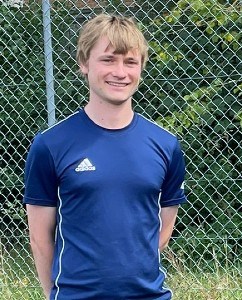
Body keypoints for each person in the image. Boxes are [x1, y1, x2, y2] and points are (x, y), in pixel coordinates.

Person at [23, 14, 187, 299]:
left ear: (141, 68)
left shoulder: (166, 144)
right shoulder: (50, 145)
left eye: (130, 62)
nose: (120, 72)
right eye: (108, 60)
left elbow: (163, 229)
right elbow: (39, 238)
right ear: (84, 64)